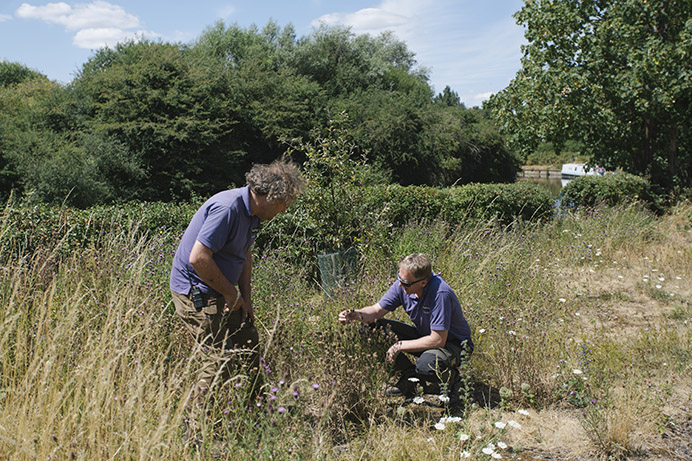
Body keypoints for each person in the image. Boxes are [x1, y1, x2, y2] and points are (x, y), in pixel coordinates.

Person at [170, 159, 305, 419]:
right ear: (270, 196)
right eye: (284, 204)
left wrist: (245, 297)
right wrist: (231, 294)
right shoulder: (228, 208)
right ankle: (191, 426)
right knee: (219, 360)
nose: (284, 210)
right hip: (195, 293)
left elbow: (244, 253)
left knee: (248, 343)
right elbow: (198, 258)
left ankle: (256, 413)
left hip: (222, 291)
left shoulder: (252, 214)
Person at [339, 253, 473, 403]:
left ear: (423, 282)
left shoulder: (440, 294)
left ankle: (455, 380)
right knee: (370, 329)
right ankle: (409, 378)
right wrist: (357, 314)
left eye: (406, 283)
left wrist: (399, 345)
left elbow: (438, 340)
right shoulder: (403, 285)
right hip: (425, 336)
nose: (400, 285)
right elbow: (376, 311)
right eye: (399, 279)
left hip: (453, 345)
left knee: (426, 366)